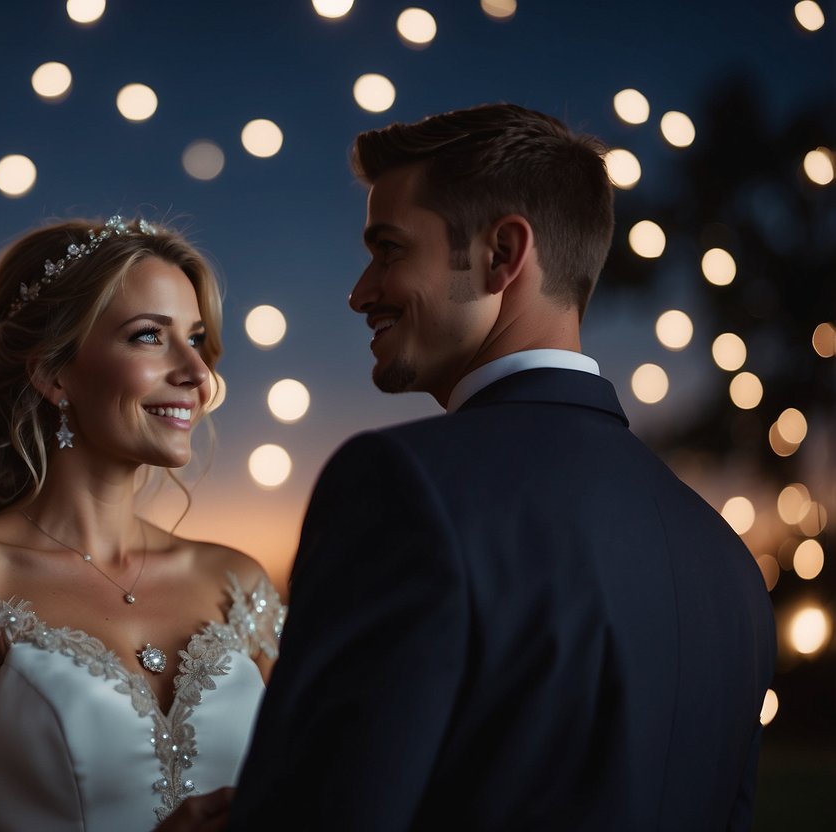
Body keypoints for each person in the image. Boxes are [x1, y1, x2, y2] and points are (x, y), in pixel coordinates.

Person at [225, 104, 776, 830]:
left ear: (500, 254)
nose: (360, 292)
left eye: (388, 250)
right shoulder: (726, 560)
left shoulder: (402, 486)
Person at [0, 216, 285, 832]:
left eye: (196, 339)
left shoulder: (238, 585)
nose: (197, 374)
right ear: (53, 373)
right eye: (149, 336)